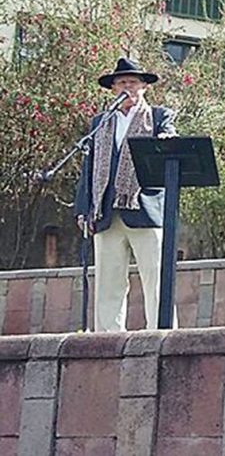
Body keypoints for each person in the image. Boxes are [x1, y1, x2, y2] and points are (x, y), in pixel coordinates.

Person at [74, 58, 177, 331]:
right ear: (113, 89)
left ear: (144, 87)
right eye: (121, 83)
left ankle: (162, 335)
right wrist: (83, 209)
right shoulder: (101, 122)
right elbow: (88, 167)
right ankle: (108, 339)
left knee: (156, 279)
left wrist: (166, 140)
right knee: (108, 282)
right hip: (106, 212)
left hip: (144, 210)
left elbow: (170, 138)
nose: (127, 87)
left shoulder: (158, 117)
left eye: (133, 82)